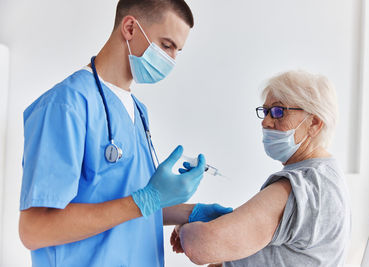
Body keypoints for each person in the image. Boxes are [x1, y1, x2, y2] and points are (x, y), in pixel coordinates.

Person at [18, 0, 232, 266]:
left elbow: (122, 204)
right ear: (130, 28)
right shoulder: (66, 105)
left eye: (178, 51)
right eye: (166, 45)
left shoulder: (138, 111)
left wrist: (190, 212)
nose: (172, 60)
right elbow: (34, 230)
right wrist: (147, 199)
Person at [171, 70, 351, 267]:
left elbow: (203, 244)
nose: (265, 122)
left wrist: (186, 228)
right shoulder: (328, 174)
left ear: (314, 123)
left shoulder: (302, 184)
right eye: (265, 112)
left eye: (278, 111)